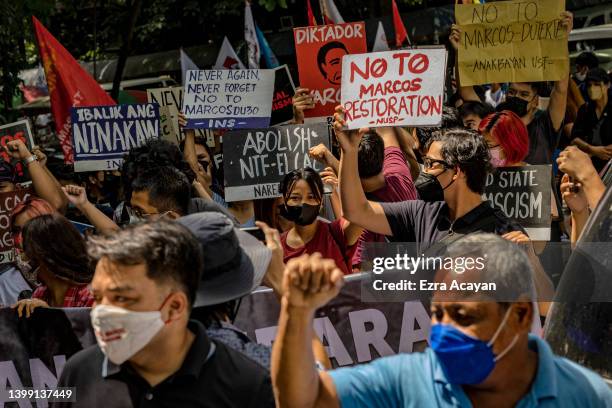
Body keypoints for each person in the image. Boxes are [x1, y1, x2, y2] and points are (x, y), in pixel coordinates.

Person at [270, 236, 612, 408]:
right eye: (437, 314)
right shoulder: (406, 379)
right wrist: (296, 311)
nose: (443, 330)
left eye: (464, 316)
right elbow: (304, 401)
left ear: (521, 314)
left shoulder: (586, 396)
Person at [54, 220, 275, 408]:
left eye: (122, 298)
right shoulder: (79, 372)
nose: (101, 312)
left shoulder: (249, 385)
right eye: (98, 297)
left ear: (175, 307)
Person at [334, 106, 527, 254]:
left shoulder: (503, 230)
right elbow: (357, 211)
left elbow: (543, 303)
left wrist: (531, 260)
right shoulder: (420, 214)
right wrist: (349, 151)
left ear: (456, 171)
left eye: (431, 164)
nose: (425, 171)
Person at [450, 12, 573, 165]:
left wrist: (562, 42)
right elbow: (466, 91)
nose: (516, 97)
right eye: (512, 92)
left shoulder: (545, 123)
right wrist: (459, 52)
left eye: (524, 94)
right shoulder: (494, 119)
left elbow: (561, 88)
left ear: (535, 99)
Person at [279, 168, 362, 275]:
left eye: (311, 197)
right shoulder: (277, 248)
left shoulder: (337, 232)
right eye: (295, 198)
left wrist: (344, 183)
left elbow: (362, 215)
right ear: (285, 201)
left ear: (321, 201)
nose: (303, 203)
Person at [12, 213, 94, 317]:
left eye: (26, 253)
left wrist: (51, 316)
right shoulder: (39, 294)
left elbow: (89, 332)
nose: (24, 259)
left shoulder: (89, 296)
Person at [0, 198, 56, 307]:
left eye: (29, 229)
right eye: (16, 231)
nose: (20, 239)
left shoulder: (72, 275)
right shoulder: (4, 281)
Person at [0, 139, 67, 210]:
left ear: (17, 187)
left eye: (1, 187)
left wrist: (29, 158)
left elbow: (60, 205)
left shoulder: (28, 207)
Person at [570, 67, 612, 171]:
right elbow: (575, 139)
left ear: (607, 85)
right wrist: (592, 149)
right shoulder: (585, 110)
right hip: (590, 165)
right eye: (589, 85)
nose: (592, 88)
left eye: (597, 84)